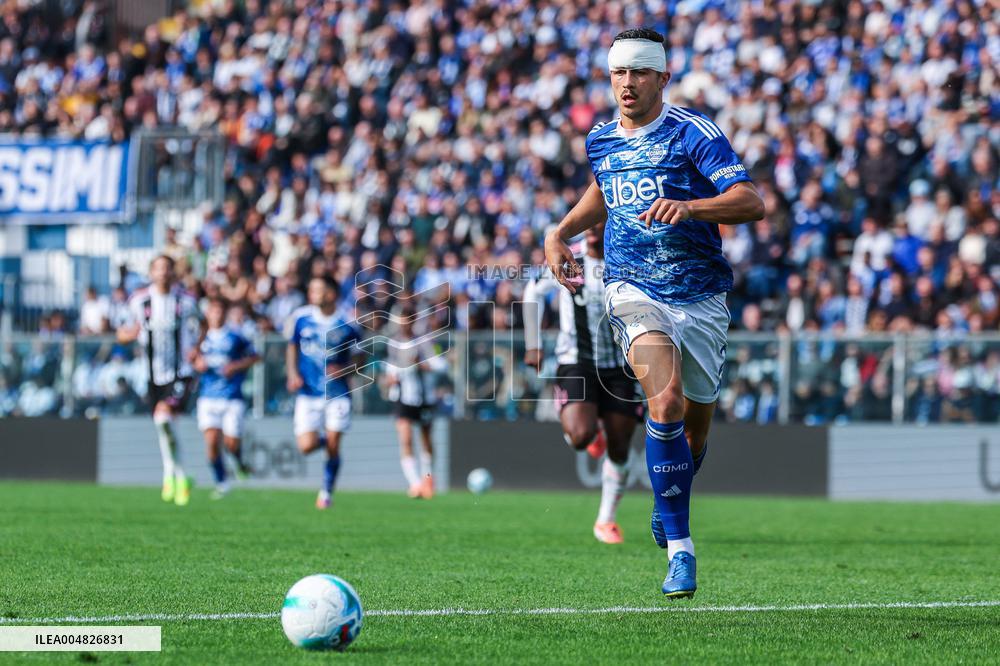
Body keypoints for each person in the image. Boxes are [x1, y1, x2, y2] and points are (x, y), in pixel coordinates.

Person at [544, 29, 764, 597]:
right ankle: (682, 552)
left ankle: (671, 501)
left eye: (639, 72)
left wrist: (691, 207)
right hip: (632, 288)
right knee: (662, 400)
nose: (627, 83)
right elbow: (604, 189)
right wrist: (560, 231)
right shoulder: (599, 138)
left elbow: (750, 201)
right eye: (619, 73)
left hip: (701, 296)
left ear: (662, 78)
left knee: (694, 431)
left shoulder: (694, 133)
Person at [523, 220, 642, 544]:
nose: (592, 230)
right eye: (588, 224)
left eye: (599, 224)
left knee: (620, 446)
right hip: (576, 361)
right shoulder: (570, 260)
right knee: (579, 435)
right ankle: (591, 436)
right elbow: (532, 289)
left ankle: (605, 520)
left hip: (621, 366)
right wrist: (533, 345)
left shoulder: (628, 261)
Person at [117, 255, 203, 506]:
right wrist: (128, 334)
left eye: (167, 268)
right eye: (158, 268)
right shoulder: (139, 300)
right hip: (151, 374)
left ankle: (171, 476)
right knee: (164, 426)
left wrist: (197, 348)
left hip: (180, 372)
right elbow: (121, 333)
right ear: (151, 272)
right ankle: (180, 476)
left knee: (164, 419)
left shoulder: (186, 301)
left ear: (173, 272)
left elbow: (205, 323)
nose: (163, 273)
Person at [285, 276, 363, 509]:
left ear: (331, 294)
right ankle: (326, 442)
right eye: (311, 289)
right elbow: (291, 346)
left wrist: (346, 369)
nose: (312, 293)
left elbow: (361, 358)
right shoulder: (301, 317)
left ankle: (326, 492)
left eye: (318, 289)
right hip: (308, 392)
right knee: (306, 446)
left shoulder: (348, 320)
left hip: (337, 393)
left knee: (333, 444)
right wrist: (292, 374)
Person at [192, 298, 259, 499]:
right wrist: (197, 364)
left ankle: (238, 462)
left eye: (220, 310)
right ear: (208, 314)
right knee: (212, 443)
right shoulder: (201, 338)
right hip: (208, 397)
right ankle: (222, 483)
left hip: (231, 397)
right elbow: (192, 359)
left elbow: (255, 356)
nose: (217, 314)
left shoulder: (236, 336)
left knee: (231, 444)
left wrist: (235, 366)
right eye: (213, 310)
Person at [384, 311, 438, 499]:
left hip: (423, 397)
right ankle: (415, 484)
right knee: (405, 438)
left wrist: (423, 364)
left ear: (413, 322)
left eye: (407, 321)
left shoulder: (424, 342)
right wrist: (389, 378)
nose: (403, 325)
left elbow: (439, 365)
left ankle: (428, 478)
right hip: (402, 397)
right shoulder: (393, 343)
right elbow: (390, 366)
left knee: (426, 440)